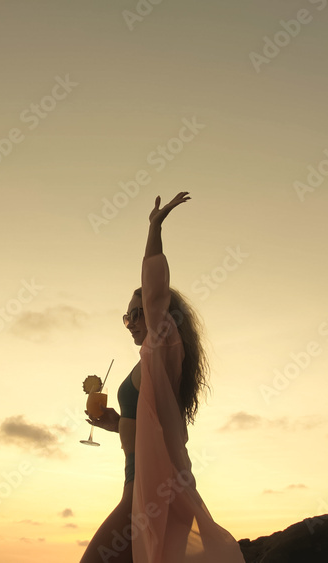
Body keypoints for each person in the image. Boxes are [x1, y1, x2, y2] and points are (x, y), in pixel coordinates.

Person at [80, 192, 245, 562]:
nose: (132, 323)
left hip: (148, 493)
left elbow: (155, 292)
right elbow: (147, 427)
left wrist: (154, 228)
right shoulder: (145, 366)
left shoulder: (161, 353)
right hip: (137, 490)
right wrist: (115, 424)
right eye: (127, 317)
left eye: (137, 314)